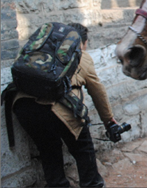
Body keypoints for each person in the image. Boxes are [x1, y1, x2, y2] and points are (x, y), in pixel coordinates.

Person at [11, 23, 119, 187]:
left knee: (48, 150)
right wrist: (109, 120)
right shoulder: (82, 56)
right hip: (59, 110)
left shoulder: (36, 51)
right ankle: (91, 184)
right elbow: (97, 92)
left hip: (23, 108)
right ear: (81, 42)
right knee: (83, 148)